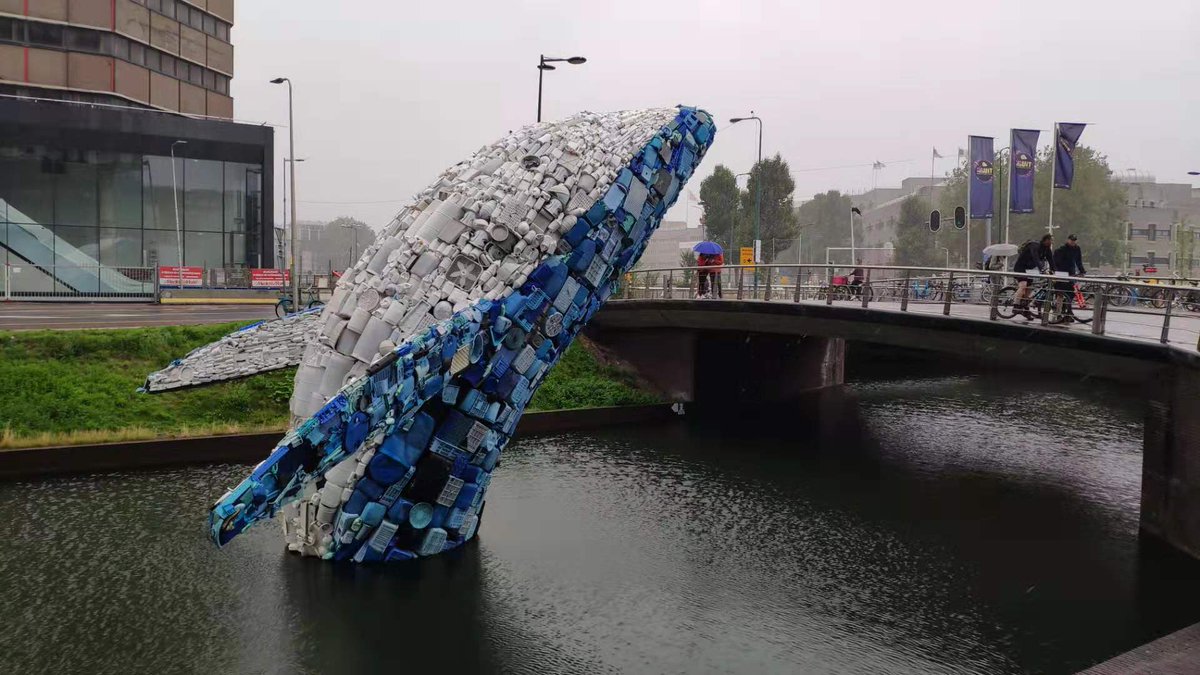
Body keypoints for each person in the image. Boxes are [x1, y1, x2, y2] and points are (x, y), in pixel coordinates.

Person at [1012, 234, 1054, 320]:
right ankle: (1015, 306)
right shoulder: (1035, 245)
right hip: (1020, 267)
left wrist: (1055, 271)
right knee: (1023, 285)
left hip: (1029, 270)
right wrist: (1042, 269)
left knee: (1029, 289)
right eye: (1050, 240)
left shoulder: (1047, 250)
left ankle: (1025, 309)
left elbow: (1051, 261)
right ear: (1045, 240)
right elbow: (1036, 258)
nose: (1051, 242)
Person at [1052, 234, 1086, 322]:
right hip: (1061, 274)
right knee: (1060, 294)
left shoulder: (1077, 249)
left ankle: (1068, 313)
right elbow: (1056, 262)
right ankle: (1058, 314)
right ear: (1068, 240)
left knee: (1070, 294)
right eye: (1071, 240)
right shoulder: (1061, 249)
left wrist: (1082, 271)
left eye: (1074, 240)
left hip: (1071, 274)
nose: (1073, 242)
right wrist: (1056, 272)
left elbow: (1078, 261)